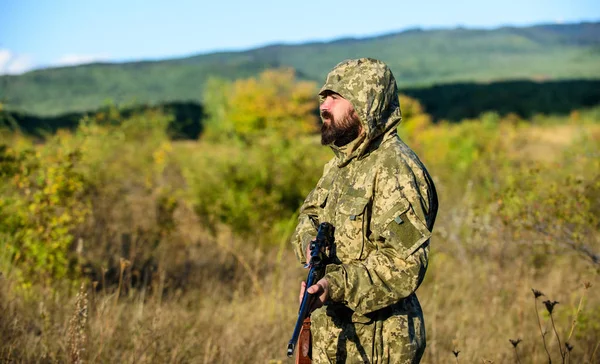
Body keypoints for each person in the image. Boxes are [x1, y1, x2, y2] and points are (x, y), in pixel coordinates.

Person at [291, 58, 438, 363]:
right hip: (333, 336)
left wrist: (335, 285)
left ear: (365, 103)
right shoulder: (341, 165)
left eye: (335, 97)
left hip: (377, 343)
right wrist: (309, 245)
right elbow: (310, 215)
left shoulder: (395, 169)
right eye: (323, 97)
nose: (324, 106)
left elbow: (404, 266)